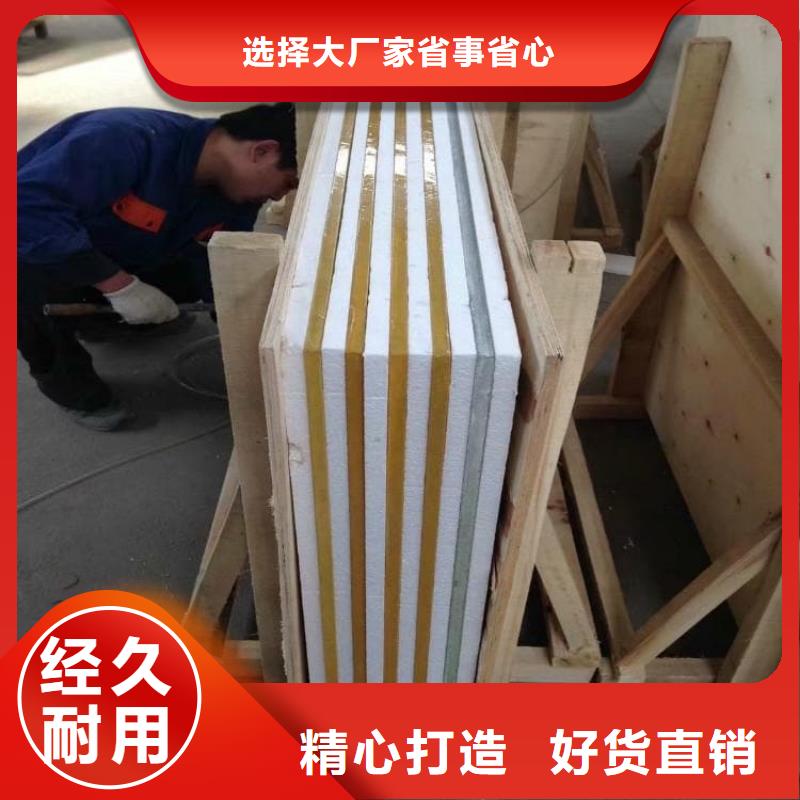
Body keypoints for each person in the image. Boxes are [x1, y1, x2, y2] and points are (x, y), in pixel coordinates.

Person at [17, 103, 298, 430]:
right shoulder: (121, 139)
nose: (278, 196)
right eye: (287, 182)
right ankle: (71, 389)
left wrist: (243, 327)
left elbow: (219, 267)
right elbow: (25, 210)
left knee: (197, 272)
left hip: (116, 246)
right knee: (29, 292)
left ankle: (98, 320)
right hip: (29, 238)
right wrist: (119, 286)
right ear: (262, 152)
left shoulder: (233, 194)